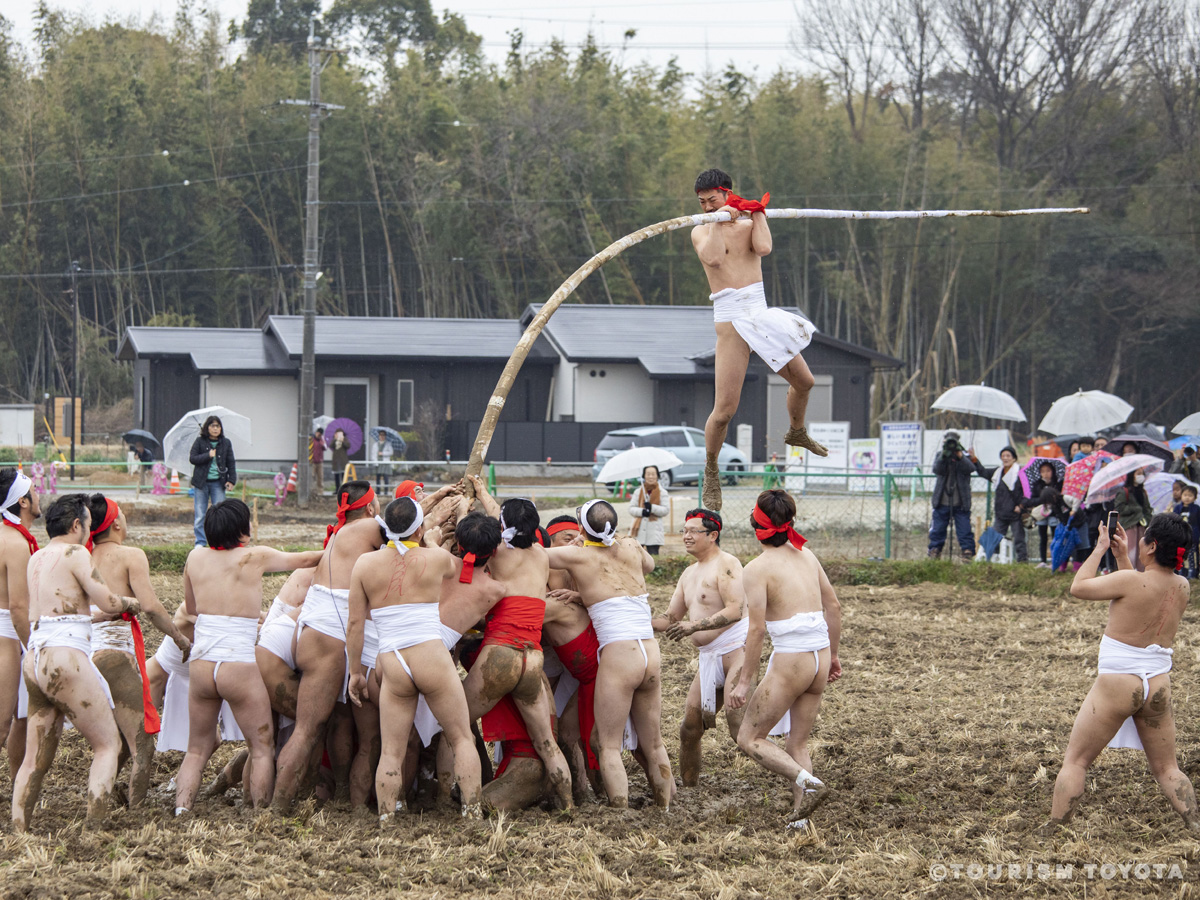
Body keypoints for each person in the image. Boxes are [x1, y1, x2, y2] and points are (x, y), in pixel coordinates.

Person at [1049, 513, 1199, 830]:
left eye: (1143, 537)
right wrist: (1123, 558)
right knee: (1167, 768)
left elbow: (1079, 586)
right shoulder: (1182, 586)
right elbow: (1139, 594)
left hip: (1119, 683)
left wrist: (1102, 547)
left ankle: (1055, 827)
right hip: (1156, 684)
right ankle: (1195, 825)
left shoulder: (1132, 582)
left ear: (1151, 546)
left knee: (1076, 761)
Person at [173, 500, 323, 815]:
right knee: (261, 749)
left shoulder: (195, 557)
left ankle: (181, 810)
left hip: (202, 663)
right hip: (237, 663)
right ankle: (260, 813)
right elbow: (309, 558)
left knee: (197, 750)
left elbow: (191, 606)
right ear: (243, 530)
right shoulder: (253, 556)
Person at [690, 167, 826, 511]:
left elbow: (763, 248)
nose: (707, 206)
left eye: (712, 200)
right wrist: (718, 221)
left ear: (727, 193)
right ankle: (710, 469)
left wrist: (758, 212)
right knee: (724, 411)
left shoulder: (750, 222)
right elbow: (714, 258)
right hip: (731, 319)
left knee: (805, 381)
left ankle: (796, 430)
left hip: (760, 312)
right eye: (702, 202)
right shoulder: (700, 230)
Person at [346, 496, 483, 821]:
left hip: (392, 659)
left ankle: (387, 818)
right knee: (461, 737)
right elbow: (459, 567)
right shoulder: (434, 558)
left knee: (391, 750)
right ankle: (472, 812)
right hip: (429, 654)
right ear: (419, 527)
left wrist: (354, 672)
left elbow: (354, 624)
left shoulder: (365, 564)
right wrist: (437, 537)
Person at [11, 494, 139, 832]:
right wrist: (130, 602)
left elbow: (64, 613)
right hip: (64, 658)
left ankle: (19, 829)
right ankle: (93, 829)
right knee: (107, 744)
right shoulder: (76, 552)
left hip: (36, 659)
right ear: (76, 525)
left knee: (35, 758)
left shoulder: (36, 557)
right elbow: (107, 600)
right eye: (87, 524)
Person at [545, 499, 673, 809]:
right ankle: (667, 807)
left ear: (583, 529)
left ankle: (620, 813)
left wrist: (581, 545)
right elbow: (650, 566)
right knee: (654, 743)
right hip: (649, 651)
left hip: (620, 654)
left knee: (608, 745)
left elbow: (531, 552)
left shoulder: (579, 556)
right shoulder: (629, 544)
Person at [729, 489, 842, 829]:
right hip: (819, 655)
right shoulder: (806, 555)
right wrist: (834, 656)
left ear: (755, 524)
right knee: (797, 742)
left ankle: (810, 784)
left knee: (748, 738)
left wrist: (745, 680)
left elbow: (757, 630)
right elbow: (833, 606)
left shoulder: (756, 568)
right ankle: (801, 820)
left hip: (793, 660)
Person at [461, 485, 573, 809]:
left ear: (503, 529)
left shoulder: (496, 553)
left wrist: (466, 505)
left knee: (453, 725)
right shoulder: (541, 554)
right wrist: (482, 491)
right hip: (532, 657)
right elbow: (505, 519)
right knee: (547, 743)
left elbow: (480, 533)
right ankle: (568, 806)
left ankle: (460, 801)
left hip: (501, 652)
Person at [272, 481, 382, 811]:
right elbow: (410, 529)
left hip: (312, 628)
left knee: (332, 724)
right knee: (310, 731)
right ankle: (278, 808)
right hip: (329, 631)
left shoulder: (341, 533)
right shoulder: (371, 527)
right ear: (370, 508)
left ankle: (339, 796)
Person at [85, 493, 191, 806]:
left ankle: (104, 795)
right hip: (114, 655)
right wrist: (178, 637)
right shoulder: (131, 555)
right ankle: (136, 810)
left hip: (81, 652)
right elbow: (152, 608)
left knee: (113, 740)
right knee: (142, 743)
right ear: (116, 523)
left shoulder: (79, 554)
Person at [653, 509, 751, 786]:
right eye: (685, 530)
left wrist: (694, 626)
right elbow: (670, 618)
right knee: (690, 729)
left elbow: (735, 610)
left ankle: (792, 775)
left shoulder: (728, 564)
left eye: (693, 531)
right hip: (708, 657)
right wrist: (629, 620)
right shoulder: (688, 574)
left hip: (735, 652)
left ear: (712, 535)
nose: (686, 536)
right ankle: (690, 789)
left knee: (739, 727)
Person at [0, 468, 39, 781]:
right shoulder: (14, 543)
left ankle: (16, 787)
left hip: (11, 631)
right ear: (23, 502)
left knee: (21, 717)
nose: (39, 496)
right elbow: (16, 607)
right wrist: (36, 647)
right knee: (2, 722)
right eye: (34, 491)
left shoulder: (15, 538)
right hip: (7, 634)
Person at [927, 432, 984, 561]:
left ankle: (967, 551)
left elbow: (970, 468)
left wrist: (960, 456)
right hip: (942, 500)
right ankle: (935, 550)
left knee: (964, 529)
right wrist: (944, 455)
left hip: (960, 502)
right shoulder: (940, 455)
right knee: (938, 529)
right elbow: (937, 470)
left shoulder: (964, 456)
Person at [189, 415, 236, 547]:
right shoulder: (199, 441)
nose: (215, 429)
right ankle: (200, 542)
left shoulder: (226, 443)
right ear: (207, 427)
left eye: (218, 426)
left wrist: (231, 480)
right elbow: (192, 458)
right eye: (212, 426)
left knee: (221, 514)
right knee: (200, 515)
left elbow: (231, 462)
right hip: (201, 483)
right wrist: (208, 455)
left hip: (218, 483)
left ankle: (219, 541)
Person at [979, 446, 1029, 562]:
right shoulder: (997, 472)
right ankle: (988, 559)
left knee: (1019, 539)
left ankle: (1022, 560)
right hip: (1001, 512)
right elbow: (983, 472)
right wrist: (974, 460)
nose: (1005, 458)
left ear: (1014, 458)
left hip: (1015, 513)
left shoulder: (1020, 473)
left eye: (1008, 456)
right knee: (993, 537)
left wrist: (1021, 505)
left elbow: (1026, 492)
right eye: (1003, 456)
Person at [1114, 470, 1155, 572]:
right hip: (1129, 526)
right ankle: (1127, 573)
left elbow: (1147, 508)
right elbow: (1120, 508)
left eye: (1142, 473)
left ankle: (1141, 574)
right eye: (1138, 473)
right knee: (1129, 553)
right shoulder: (1124, 491)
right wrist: (1135, 509)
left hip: (1142, 526)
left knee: (1142, 553)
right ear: (1132, 475)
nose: (1141, 476)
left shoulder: (1142, 492)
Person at [629, 466, 669, 556]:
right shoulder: (638, 492)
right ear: (644, 476)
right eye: (648, 474)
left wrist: (652, 508)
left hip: (654, 532)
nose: (651, 477)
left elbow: (666, 510)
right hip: (638, 531)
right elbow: (631, 508)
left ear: (657, 476)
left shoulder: (663, 492)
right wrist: (642, 511)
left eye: (653, 474)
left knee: (653, 557)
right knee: (636, 557)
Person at [1029, 462, 1064, 565]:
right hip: (1042, 513)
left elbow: (1060, 498)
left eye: (1048, 471)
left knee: (1055, 536)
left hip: (1054, 513)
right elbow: (1033, 499)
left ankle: (1055, 559)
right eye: (1043, 471)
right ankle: (1043, 560)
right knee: (1043, 537)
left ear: (1052, 471)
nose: (1045, 474)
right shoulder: (1037, 484)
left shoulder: (1057, 483)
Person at [1173, 486, 1200, 579]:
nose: (1187, 497)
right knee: (1180, 554)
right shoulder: (1177, 508)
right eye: (1185, 495)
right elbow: (1173, 520)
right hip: (1180, 536)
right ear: (1181, 496)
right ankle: (1181, 571)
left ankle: (1193, 572)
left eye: (1190, 495)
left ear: (1195, 497)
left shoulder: (1196, 509)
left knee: (1193, 554)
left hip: (1193, 536)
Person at [330, 429, 350, 495]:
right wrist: (335, 439)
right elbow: (331, 446)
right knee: (336, 476)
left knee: (343, 476)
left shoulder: (345, 439)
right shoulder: (334, 440)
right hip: (336, 460)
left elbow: (348, 446)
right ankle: (337, 489)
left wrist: (342, 441)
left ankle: (344, 490)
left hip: (343, 460)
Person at [309, 427, 325, 496]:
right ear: (316, 432)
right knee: (311, 476)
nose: (319, 435)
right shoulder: (311, 439)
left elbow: (325, 448)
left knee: (320, 477)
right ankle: (311, 490)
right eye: (318, 433)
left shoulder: (322, 440)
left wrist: (322, 442)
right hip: (312, 461)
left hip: (320, 462)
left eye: (320, 434)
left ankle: (320, 491)